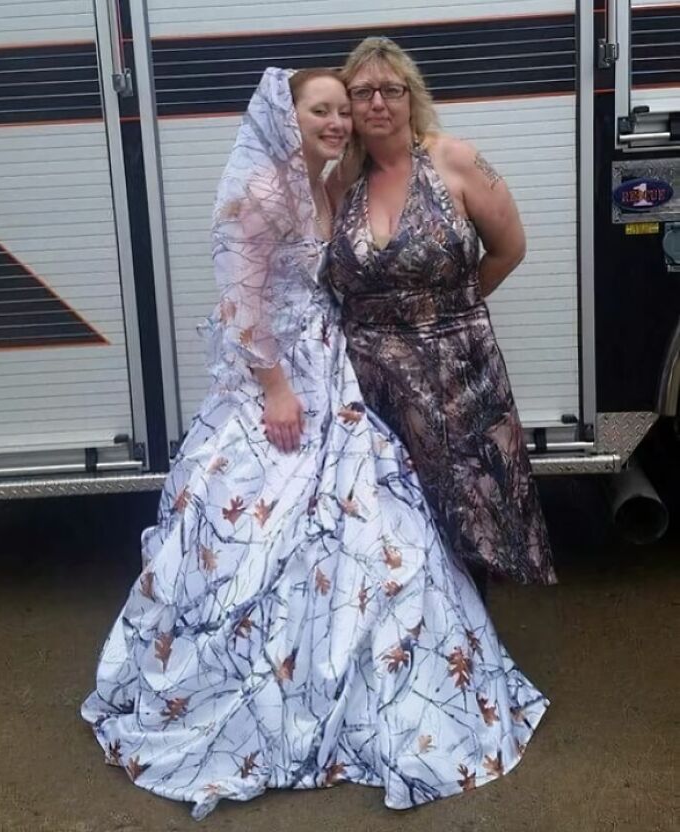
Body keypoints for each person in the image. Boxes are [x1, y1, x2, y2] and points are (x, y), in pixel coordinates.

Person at [81, 67, 548, 820]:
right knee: (269, 535)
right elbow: (239, 305)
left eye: (341, 110)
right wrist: (274, 390)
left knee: (375, 528)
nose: (336, 121)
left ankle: (373, 672)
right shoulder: (259, 191)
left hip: (334, 375)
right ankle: (272, 681)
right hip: (284, 389)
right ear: (285, 114)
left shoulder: (327, 184)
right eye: (320, 110)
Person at [327, 38, 556, 587]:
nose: (377, 102)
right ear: (348, 104)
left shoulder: (455, 159)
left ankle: (473, 628)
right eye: (362, 92)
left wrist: (454, 310)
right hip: (371, 382)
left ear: (412, 96)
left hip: (460, 374)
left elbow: (510, 248)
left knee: (468, 517)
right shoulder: (339, 181)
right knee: (392, 523)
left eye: (391, 90)